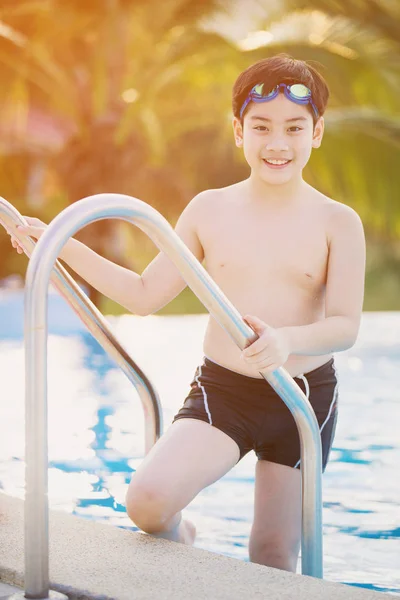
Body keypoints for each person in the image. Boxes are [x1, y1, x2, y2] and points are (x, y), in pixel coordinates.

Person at [8, 54, 366, 573]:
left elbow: (346, 327)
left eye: (294, 127)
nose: (277, 143)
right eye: (262, 127)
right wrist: (59, 244)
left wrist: (286, 340)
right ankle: (185, 534)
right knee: (148, 505)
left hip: (301, 398)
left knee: (271, 554)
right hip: (225, 391)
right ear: (239, 131)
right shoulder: (209, 209)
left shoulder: (338, 222)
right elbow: (143, 294)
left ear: (317, 132)